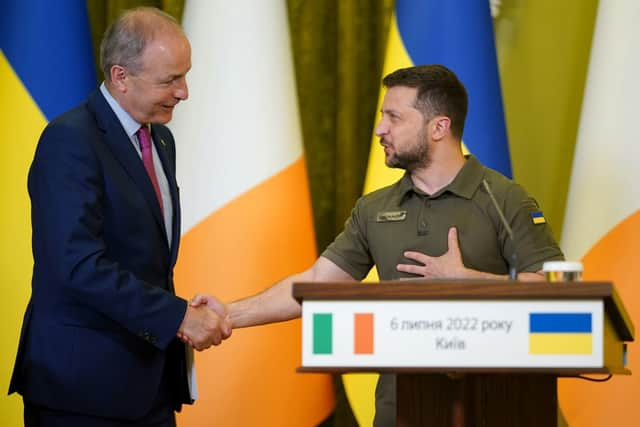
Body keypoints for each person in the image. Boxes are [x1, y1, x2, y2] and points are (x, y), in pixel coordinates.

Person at [188, 64, 564, 426]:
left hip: (498, 409)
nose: (380, 129)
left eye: (394, 117)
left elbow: (556, 293)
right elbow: (317, 282)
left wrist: (466, 281)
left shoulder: (504, 198)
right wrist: (227, 315)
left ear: (439, 127)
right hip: (401, 410)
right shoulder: (374, 208)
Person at [9, 7, 230, 427]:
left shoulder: (160, 138)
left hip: (149, 384)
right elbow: (77, 264)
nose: (184, 92)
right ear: (120, 77)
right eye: (170, 80)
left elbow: (146, 257)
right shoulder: (69, 141)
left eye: (185, 76)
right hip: (82, 390)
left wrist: (177, 312)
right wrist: (178, 315)